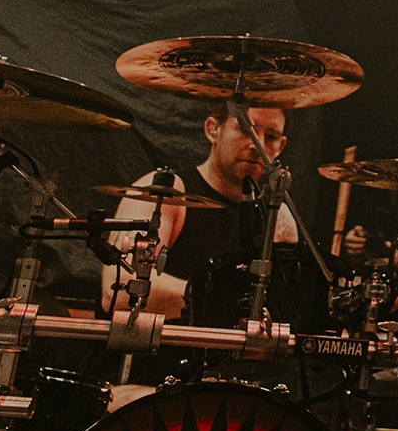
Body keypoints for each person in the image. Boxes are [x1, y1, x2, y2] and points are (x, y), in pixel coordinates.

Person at [97, 106, 298, 321]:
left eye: (271, 137)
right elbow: (117, 292)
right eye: (245, 129)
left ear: (281, 146)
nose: (257, 145)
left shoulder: (278, 217)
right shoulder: (164, 194)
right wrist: (221, 302)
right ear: (212, 129)